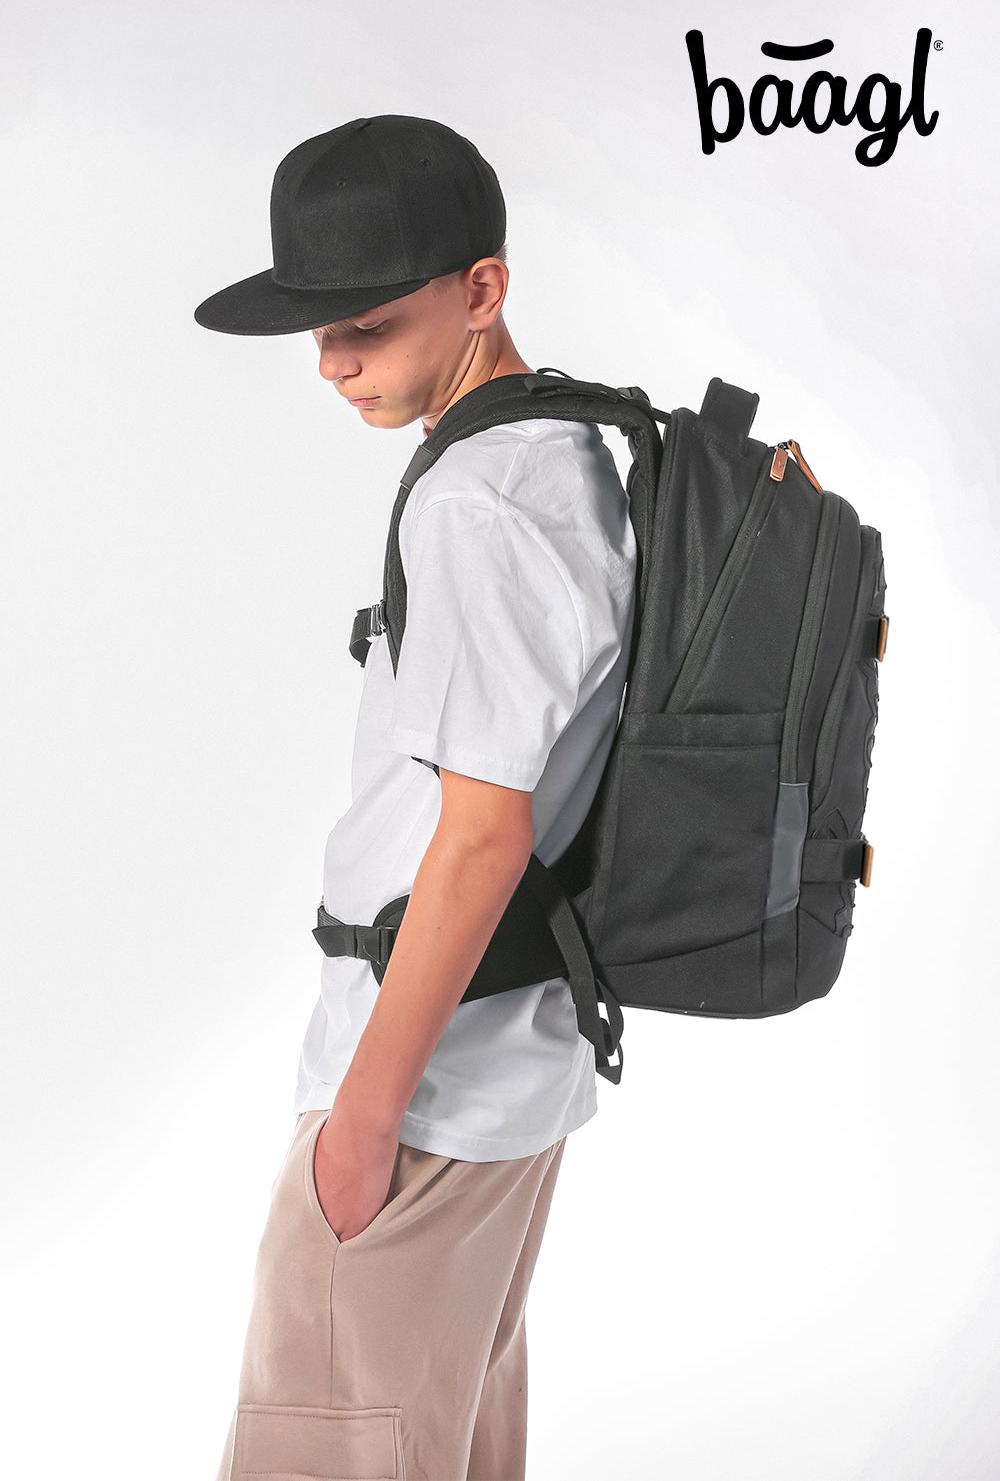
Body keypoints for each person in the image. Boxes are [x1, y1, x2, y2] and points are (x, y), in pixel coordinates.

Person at [195, 114, 636, 1481]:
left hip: (425, 1095)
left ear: (482, 290)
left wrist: (366, 1118)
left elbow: (483, 836)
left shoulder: (480, 501)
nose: (333, 364)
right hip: (503, 1069)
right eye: (317, 330)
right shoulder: (558, 449)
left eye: (368, 325)